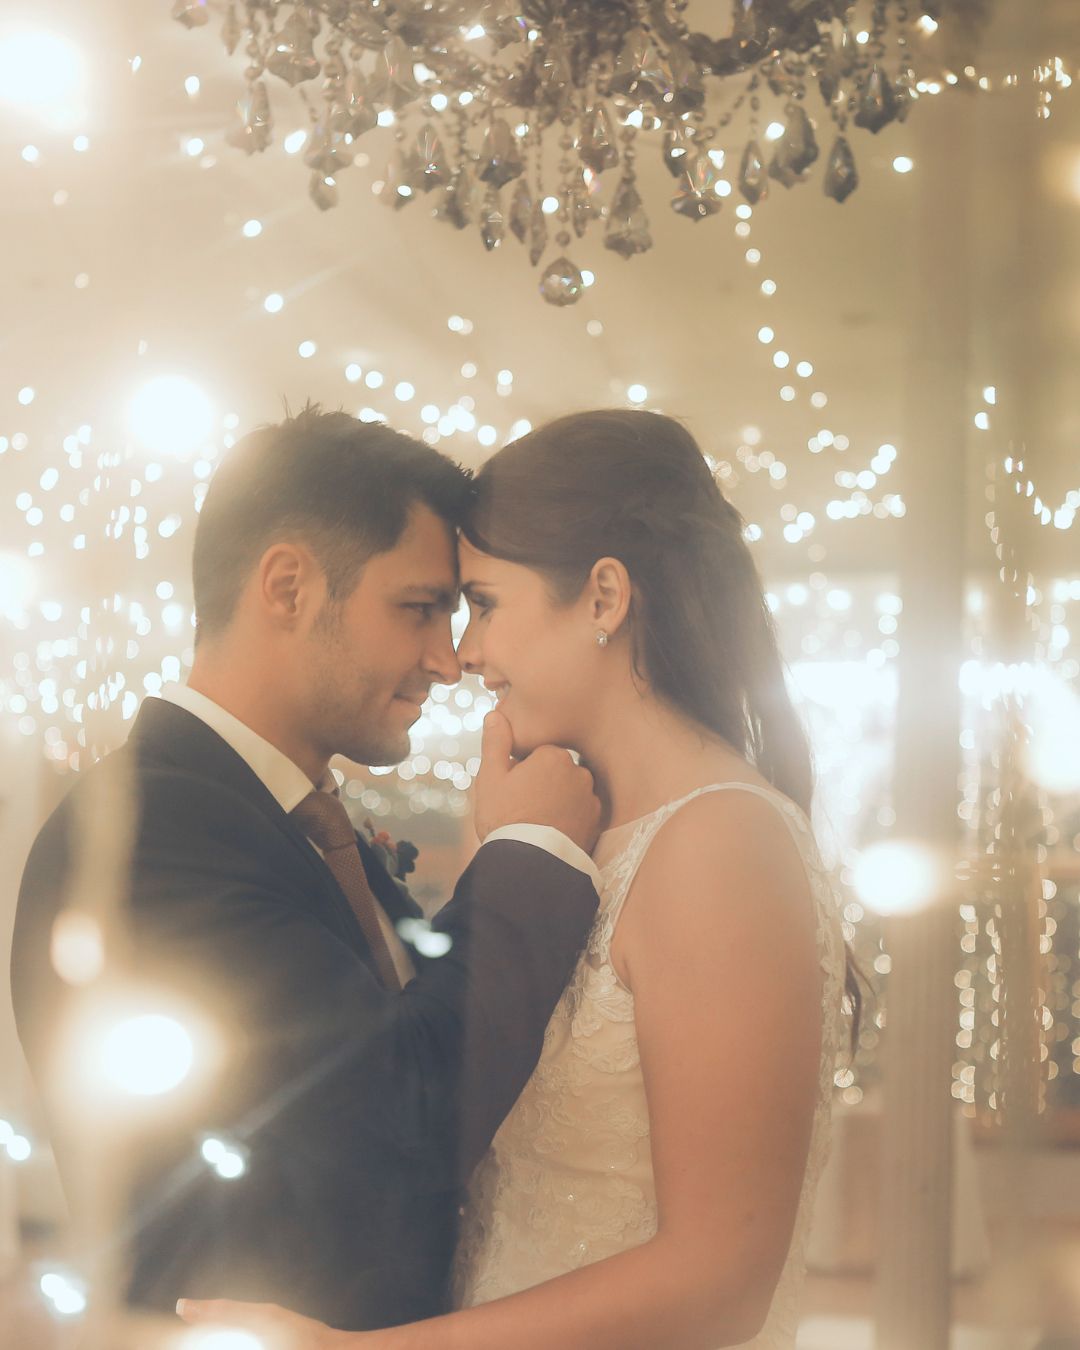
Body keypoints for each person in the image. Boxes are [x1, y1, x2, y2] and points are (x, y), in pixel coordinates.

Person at [177, 408, 856, 1350]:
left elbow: (720, 1277)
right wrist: (509, 845)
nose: (466, 657)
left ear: (605, 599)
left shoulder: (720, 841)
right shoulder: (575, 830)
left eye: (485, 604)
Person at [11, 407, 604, 1331]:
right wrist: (530, 854)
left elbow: (402, 1025)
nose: (447, 662)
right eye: (419, 608)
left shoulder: (282, 816)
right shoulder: (157, 829)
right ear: (286, 586)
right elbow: (407, 1117)